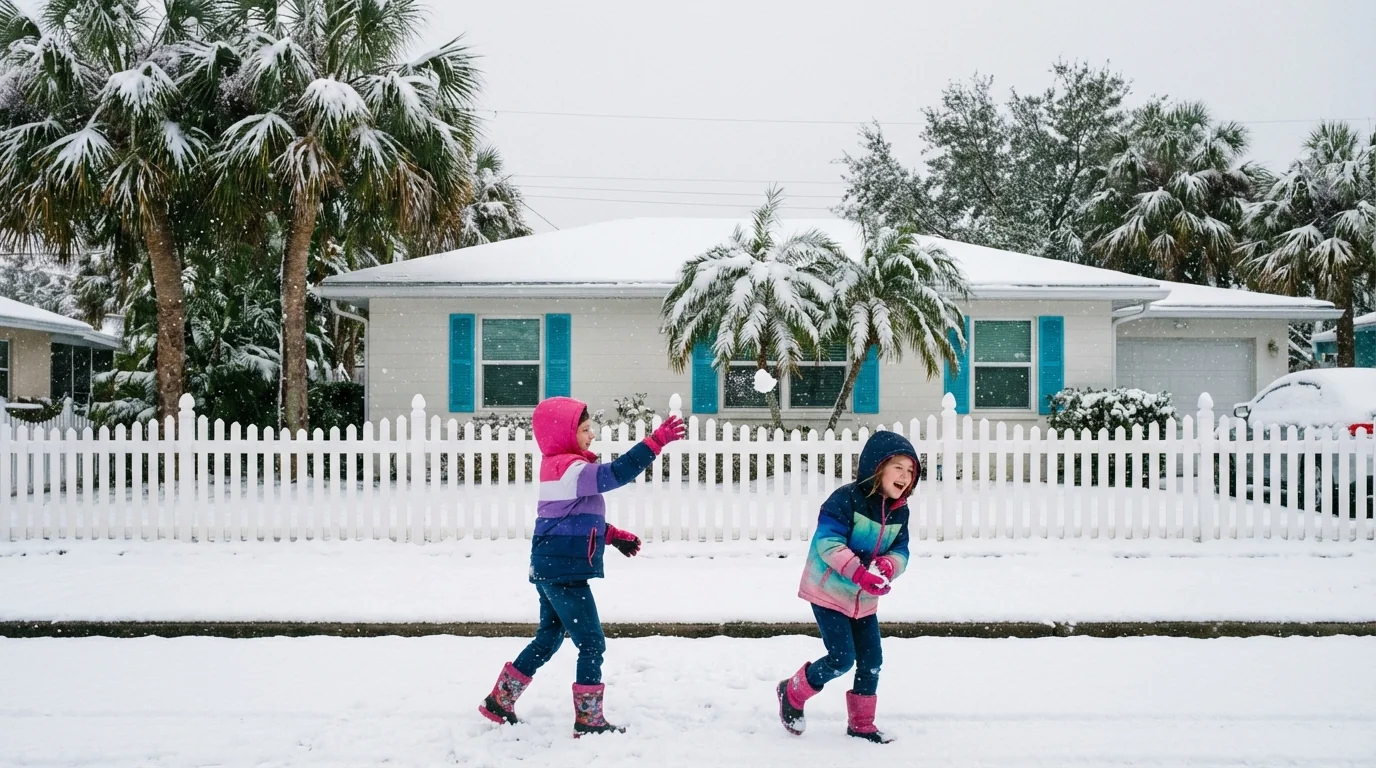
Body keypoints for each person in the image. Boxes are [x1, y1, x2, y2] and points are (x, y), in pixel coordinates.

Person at [478, 396, 686, 736]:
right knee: (591, 643)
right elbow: (615, 474)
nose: (592, 435)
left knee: (548, 638)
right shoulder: (569, 469)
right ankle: (588, 720)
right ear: (563, 433)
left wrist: (612, 535)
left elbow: (572, 521)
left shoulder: (560, 467)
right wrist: (655, 441)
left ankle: (500, 701)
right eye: (585, 429)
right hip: (564, 573)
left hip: (551, 567)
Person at [777, 430, 918, 744]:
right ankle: (792, 690)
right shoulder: (845, 500)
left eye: (910, 471)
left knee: (871, 659)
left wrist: (887, 567)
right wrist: (859, 573)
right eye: (898, 467)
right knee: (841, 657)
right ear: (877, 467)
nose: (905, 476)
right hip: (828, 590)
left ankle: (862, 724)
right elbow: (828, 544)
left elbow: (902, 550)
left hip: (863, 598)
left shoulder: (900, 511)